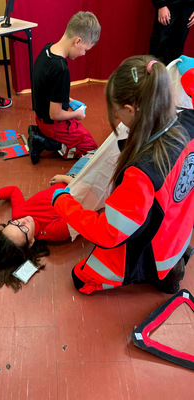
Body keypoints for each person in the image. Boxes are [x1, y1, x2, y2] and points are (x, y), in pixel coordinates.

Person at [52, 55, 194, 295]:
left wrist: (63, 202)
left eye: (117, 113)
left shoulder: (143, 172)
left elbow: (108, 233)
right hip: (181, 228)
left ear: (130, 110)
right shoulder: (188, 119)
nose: (116, 118)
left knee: (80, 278)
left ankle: (163, 271)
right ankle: (176, 257)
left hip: (157, 250)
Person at [0, 184, 71, 295]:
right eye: (23, 230)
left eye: (14, 223)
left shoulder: (19, 215)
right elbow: (83, 208)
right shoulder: (55, 230)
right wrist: (65, 178)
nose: (22, 221)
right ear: (31, 242)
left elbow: (13, 191)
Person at [28, 11, 101, 164]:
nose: (83, 54)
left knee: (79, 130)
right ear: (77, 41)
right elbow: (56, 114)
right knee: (91, 149)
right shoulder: (61, 69)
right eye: (85, 49)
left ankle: (43, 135)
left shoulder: (47, 49)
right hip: (53, 124)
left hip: (41, 117)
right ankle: (44, 142)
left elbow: (48, 87)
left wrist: (69, 100)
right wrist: (76, 115)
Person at [149, 0, 194, 65]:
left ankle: (170, 73)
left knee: (177, 48)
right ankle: (153, 72)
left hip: (188, 8)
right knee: (159, 45)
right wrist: (161, 5)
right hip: (168, 6)